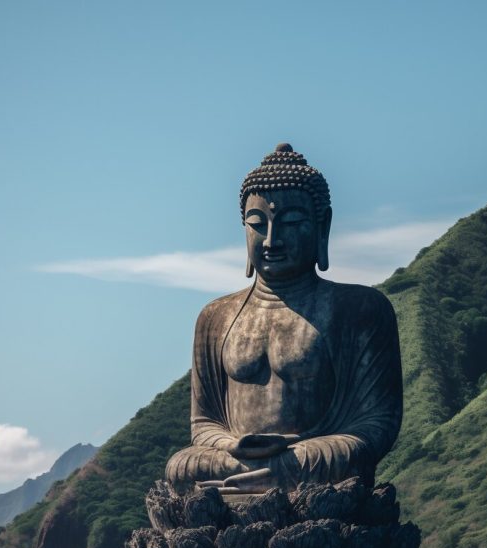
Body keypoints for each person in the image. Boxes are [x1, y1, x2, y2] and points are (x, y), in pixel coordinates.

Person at [166, 144, 402, 494]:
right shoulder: (215, 318)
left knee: (334, 459)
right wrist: (231, 445)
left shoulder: (360, 309)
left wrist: (296, 459)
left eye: (291, 223)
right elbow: (203, 424)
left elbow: (377, 424)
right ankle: (256, 476)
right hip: (232, 459)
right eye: (257, 225)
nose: (272, 240)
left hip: (313, 458)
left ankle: (271, 476)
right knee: (181, 466)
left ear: (322, 227)